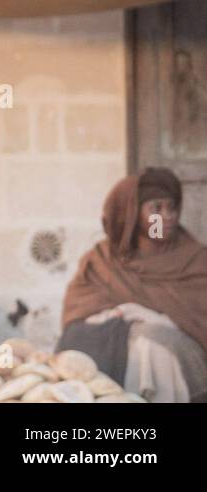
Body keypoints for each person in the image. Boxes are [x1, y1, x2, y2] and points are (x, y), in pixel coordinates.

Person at [59, 166, 207, 402]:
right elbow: (78, 317)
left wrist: (147, 315)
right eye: (156, 209)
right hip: (125, 354)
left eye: (172, 207)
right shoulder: (103, 259)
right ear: (132, 214)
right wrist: (125, 319)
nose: (167, 217)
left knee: (154, 346)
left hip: (175, 362)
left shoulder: (195, 259)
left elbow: (199, 321)